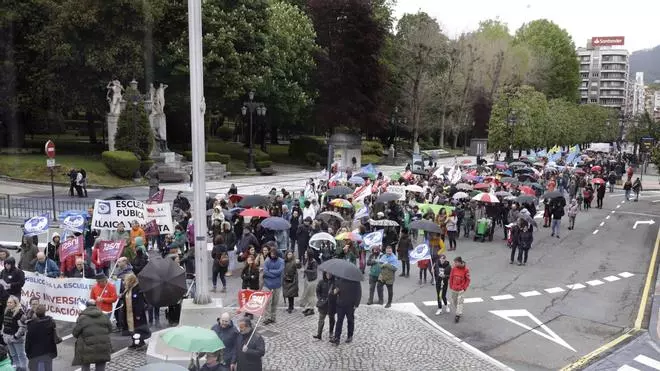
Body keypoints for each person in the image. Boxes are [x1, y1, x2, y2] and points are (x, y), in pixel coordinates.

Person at [72, 300, 112, 371]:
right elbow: (110, 330)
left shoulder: (82, 318)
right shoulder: (104, 316)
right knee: (100, 365)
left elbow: (75, 333)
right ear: (95, 306)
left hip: (86, 347)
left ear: (86, 306)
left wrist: (78, 318)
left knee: (85, 365)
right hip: (102, 346)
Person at [25, 304, 59, 371]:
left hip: (35, 354)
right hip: (48, 353)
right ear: (45, 312)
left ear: (36, 313)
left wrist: (27, 352)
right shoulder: (50, 321)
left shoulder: (31, 325)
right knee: (48, 368)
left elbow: (28, 341)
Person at [331, 276, 361, 345]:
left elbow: (358, 292)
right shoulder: (340, 279)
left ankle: (350, 336)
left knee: (350, 320)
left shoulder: (355, 280)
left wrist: (356, 304)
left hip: (350, 305)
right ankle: (337, 337)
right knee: (339, 321)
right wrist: (335, 291)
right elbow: (335, 291)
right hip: (341, 304)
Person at [120, 274, 149, 344]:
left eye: (126, 280)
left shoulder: (138, 289)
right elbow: (125, 298)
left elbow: (140, 303)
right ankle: (134, 342)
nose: (125, 282)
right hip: (128, 313)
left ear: (131, 281)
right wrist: (121, 296)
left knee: (138, 328)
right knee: (131, 328)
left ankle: (140, 343)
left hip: (136, 313)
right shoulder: (128, 289)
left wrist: (138, 314)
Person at [3, 296, 27, 371]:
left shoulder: (20, 313)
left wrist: (16, 336)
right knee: (13, 355)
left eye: (10, 302)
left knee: (21, 355)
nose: (8, 304)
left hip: (16, 339)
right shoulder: (7, 311)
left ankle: (23, 369)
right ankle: (16, 368)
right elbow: (5, 324)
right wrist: (4, 334)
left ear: (15, 303)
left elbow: (23, 327)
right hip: (7, 337)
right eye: (8, 302)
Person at [262, 247, 284, 325]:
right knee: (267, 302)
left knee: (275, 302)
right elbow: (265, 271)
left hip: (277, 285)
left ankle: (273, 317)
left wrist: (270, 271)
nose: (272, 255)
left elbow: (280, 271)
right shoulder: (267, 260)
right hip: (267, 284)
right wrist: (274, 274)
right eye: (271, 254)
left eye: (274, 254)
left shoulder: (281, 261)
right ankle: (267, 317)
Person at [313, 272, 335, 341]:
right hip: (323, 304)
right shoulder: (321, 282)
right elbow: (318, 291)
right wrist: (320, 299)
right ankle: (319, 334)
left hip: (331, 304)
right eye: (327, 274)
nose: (328, 275)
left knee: (331, 319)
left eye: (330, 274)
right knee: (321, 319)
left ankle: (331, 333)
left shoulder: (334, 283)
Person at [299, 250, 318, 316]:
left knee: (311, 295)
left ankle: (311, 309)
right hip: (307, 279)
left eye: (306, 253)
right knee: (307, 294)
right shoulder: (307, 260)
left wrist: (305, 270)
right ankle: (308, 307)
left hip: (312, 280)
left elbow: (314, 271)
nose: (304, 254)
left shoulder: (313, 262)